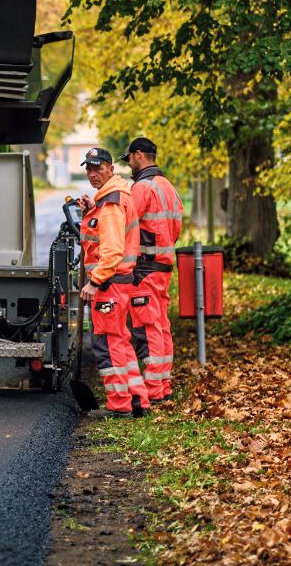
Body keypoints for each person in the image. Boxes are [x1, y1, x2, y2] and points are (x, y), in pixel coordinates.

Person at [76, 147, 150, 418]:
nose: (92, 174)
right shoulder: (111, 199)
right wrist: (89, 210)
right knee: (120, 341)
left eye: (98, 168)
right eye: (89, 169)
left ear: (111, 169)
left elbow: (112, 249)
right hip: (118, 283)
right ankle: (137, 401)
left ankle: (119, 404)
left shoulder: (110, 204)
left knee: (107, 343)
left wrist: (94, 282)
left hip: (109, 284)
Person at [121, 137, 184, 403]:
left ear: (138, 155)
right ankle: (164, 384)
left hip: (144, 268)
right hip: (163, 266)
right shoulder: (168, 187)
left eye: (130, 160)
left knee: (147, 328)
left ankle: (154, 389)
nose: (130, 166)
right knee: (160, 325)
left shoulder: (142, 187)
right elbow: (176, 229)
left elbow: (126, 223)